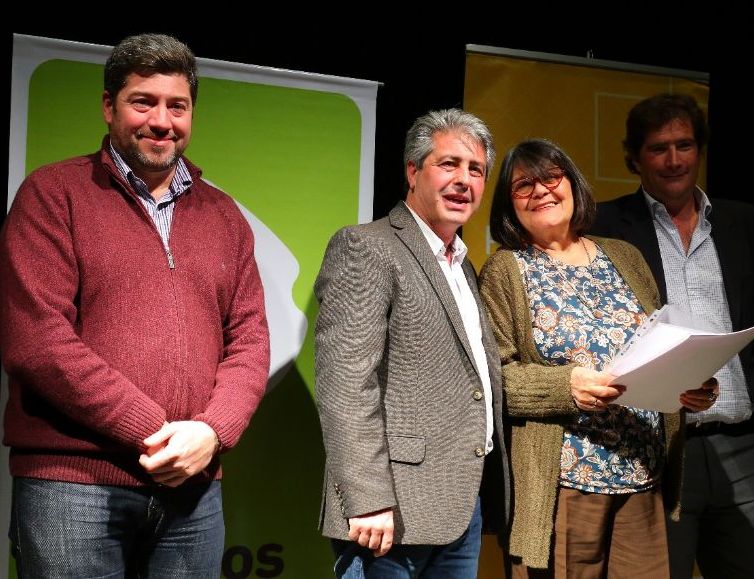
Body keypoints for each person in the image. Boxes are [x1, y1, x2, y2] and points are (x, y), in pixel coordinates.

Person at [0, 34, 270, 578]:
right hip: (72, 485)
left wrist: (212, 433)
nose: (162, 121)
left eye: (178, 105)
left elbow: (250, 340)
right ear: (108, 106)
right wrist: (158, 428)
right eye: (143, 101)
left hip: (193, 489)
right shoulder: (53, 194)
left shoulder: (224, 216)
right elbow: (38, 341)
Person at [479, 139, 718, 577]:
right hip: (566, 484)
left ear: (572, 183)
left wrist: (690, 383)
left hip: (642, 475)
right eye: (523, 185)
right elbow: (494, 379)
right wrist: (563, 387)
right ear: (508, 204)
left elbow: (658, 343)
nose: (541, 190)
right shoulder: (506, 269)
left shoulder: (623, 255)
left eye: (552, 177)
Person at [591, 92, 754, 578]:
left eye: (684, 145)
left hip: (743, 445)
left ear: (700, 151)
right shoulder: (606, 226)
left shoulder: (746, 222)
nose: (673, 160)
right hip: (658, 446)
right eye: (658, 148)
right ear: (634, 159)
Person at [314, 108, 509, 578]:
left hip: (459, 510)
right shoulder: (367, 246)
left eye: (476, 169)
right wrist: (367, 499)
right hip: (387, 515)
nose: (464, 180)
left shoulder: (463, 265)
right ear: (412, 171)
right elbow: (344, 384)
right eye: (449, 164)